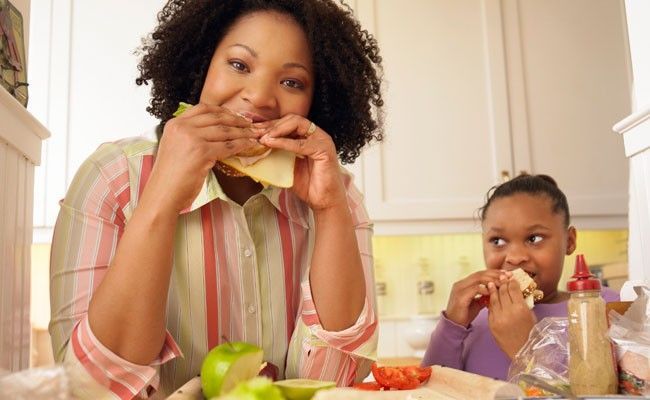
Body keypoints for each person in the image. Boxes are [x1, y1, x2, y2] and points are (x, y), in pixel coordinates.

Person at [48, 1, 384, 398]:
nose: (259, 98)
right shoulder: (113, 177)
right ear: (201, 65)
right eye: (239, 65)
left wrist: (329, 211)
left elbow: (338, 379)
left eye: (292, 82)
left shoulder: (337, 193)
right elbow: (93, 389)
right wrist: (162, 196)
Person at [421, 174, 619, 381]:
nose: (514, 258)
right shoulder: (473, 321)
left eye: (534, 238)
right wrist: (451, 326)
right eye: (497, 240)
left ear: (569, 241)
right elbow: (427, 391)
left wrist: (528, 348)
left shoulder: (603, 308)